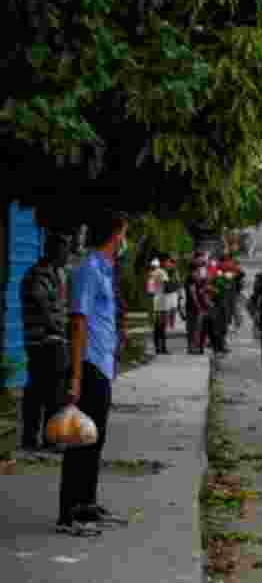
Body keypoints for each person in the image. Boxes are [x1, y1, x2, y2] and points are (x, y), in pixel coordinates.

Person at [58, 211, 130, 536]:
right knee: (80, 439)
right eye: (124, 234)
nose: (125, 241)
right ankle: (69, 513)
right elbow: (78, 322)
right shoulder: (87, 270)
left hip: (102, 364)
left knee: (95, 438)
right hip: (87, 364)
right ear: (114, 235)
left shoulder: (104, 270)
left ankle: (87, 503)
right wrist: (75, 377)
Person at [20, 231, 73, 451]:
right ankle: (43, 438)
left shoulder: (56, 273)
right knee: (49, 392)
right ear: (53, 250)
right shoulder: (39, 274)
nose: (67, 255)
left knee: (44, 390)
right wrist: (61, 330)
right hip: (44, 340)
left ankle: (36, 438)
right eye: (64, 250)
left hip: (50, 340)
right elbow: (42, 306)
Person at [146, 258, 170, 354]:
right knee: (162, 326)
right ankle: (163, 347)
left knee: (157, 326)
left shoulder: (150, 275)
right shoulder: (162, 272)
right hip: (162, 301)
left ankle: (157, 348)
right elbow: (166, 284)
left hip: (155, 302)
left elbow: (149, 291)